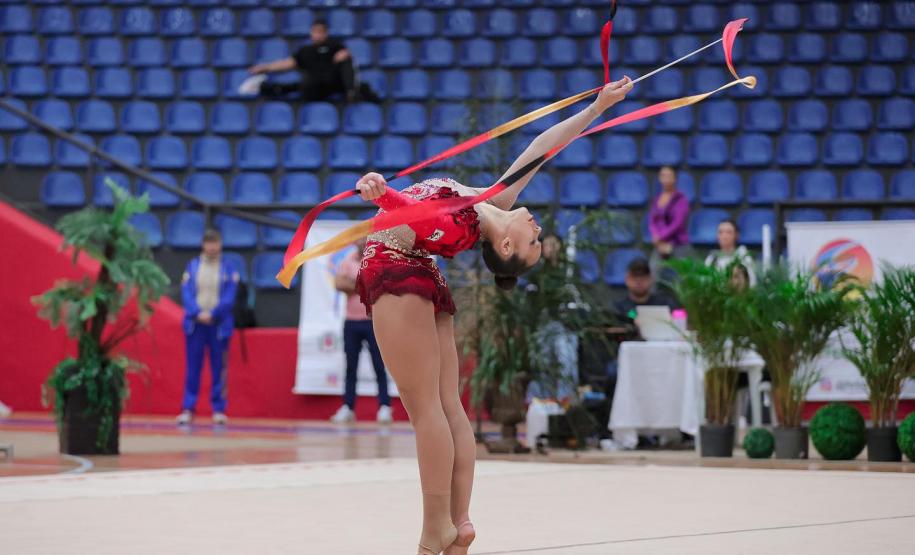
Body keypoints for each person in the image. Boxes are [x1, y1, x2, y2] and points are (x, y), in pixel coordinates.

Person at [353, 78, 632, 554]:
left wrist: (381, 193)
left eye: (533, 243)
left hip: (396, 271)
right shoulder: (490, 204)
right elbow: (543, 148)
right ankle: (458, 521)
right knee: (448, 407)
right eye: (540, 240)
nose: (538, 230)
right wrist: (597, 107)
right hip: (420, 274)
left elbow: (417, 214)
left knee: (427, 412)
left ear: (505, 247)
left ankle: (433, 528)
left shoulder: (457, 224)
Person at [176, 230, 239, 426]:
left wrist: (214, 314)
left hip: (218, 326)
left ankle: (219, 409)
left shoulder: (228, 268)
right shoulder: (193, 267)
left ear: (220, 244)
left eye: (215, 243)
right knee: (193, 367)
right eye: (208, 243)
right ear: (203, 245)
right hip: (196, 325)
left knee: (219, 367)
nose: (212, 247)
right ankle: (188, 408)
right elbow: (186, 293)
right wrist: (197, 313)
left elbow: (230, 296)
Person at [329, 237, 393, 424]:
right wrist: (362, 285)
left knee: (379, 365)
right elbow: (338, 284)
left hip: (372, 321)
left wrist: (353, 283)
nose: (360, 242)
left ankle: (384, 406)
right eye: (358, 239)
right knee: (351, 367)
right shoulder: (348, 260)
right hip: (351, 322)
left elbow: (379, 286)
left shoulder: (377, 260)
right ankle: (348, 407)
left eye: (364, 239)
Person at [245, 20, 380, 103]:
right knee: (300, 84)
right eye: (316, 32)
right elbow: (289, 63)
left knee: (348, 63)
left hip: (335, 83)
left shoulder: (335, 46)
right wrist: (266, 67)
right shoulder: (305, 51)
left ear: (326, 33)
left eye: (321, 32)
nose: (318, 35)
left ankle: (352, 92)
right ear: (311, 33)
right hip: (314, 86)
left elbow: (347, 63)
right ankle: (261, 87)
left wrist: (345, 55)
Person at [648, 166, 691, 283]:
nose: (666, 179)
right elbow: (652, 220)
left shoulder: (681, 199)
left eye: (669, 176)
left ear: (674, 179)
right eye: (663, 176)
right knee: (652, 275)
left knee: (684, 279)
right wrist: (656, 237)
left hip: (678, 244)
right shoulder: (657, 199)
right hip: (660, 245)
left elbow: (678, 223)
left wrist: (661, 237)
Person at [612, 257, 679, 330]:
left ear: (651, 279)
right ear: (627, 279)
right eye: (634, 277)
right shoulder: (619, 308)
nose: (639, 281)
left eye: (643, 277)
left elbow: (680, 321)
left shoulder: (665, 303)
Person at [704, 219, 756, 286]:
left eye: (728, 232)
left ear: (736, 235)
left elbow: (752, 283)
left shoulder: (744, 256)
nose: (724, 236)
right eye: (720, 232)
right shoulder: (711, 258)